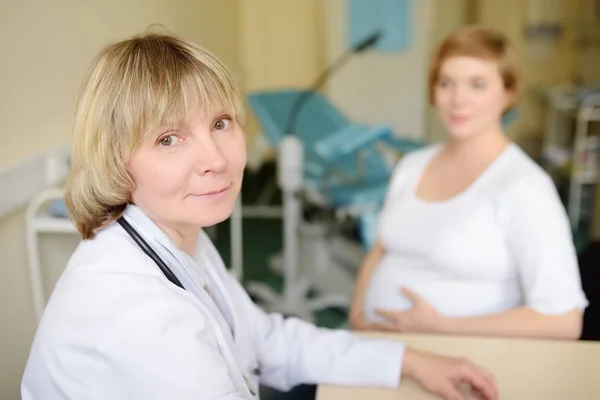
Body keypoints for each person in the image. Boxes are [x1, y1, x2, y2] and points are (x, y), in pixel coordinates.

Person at [20, 32, 498, 400]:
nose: (217, 158)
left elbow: (267, 341)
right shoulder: (133, 314)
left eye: (221, 123)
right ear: (114, 161)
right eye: (169, 138)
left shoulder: (177, 232)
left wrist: (409, 360)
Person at [349, 26, 588, 340]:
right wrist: (356, 314)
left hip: (459, 361)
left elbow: (563, 320)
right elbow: (381, 249)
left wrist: (441, 327)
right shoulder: (413, 165)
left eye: (477, 85)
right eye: (446, 83)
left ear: (508, 92)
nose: (458, 100)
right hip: (376, 345)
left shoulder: (524, 187)